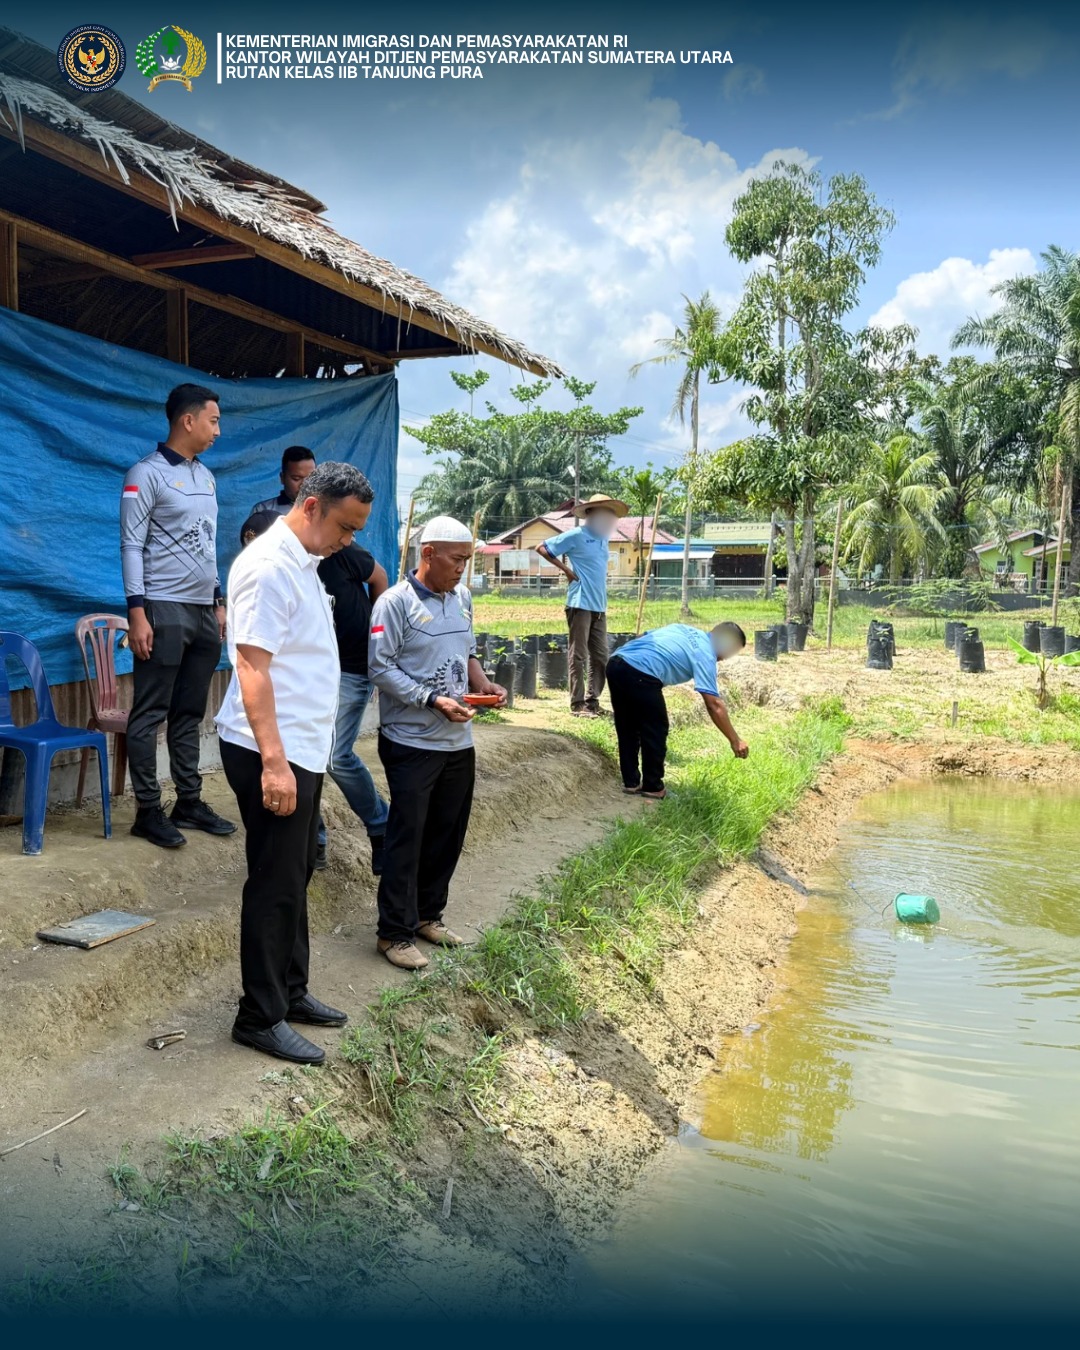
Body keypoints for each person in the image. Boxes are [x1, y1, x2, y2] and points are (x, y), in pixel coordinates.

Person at [216, 461, 374, 1065]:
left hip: (297, 748)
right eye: (345, 525)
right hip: (267, 749)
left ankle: (292, 990)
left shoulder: (306, 562)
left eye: (356, 530)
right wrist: (276, 765)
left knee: (298, 868)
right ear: (311, 507)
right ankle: (259, 1016)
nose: (349, 540)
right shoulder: (266, 566)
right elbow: (252, 668)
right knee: (275, 880)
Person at [369, 516, 506, 971]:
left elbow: (465, 652)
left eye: (468, 560)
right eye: (458, 559)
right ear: (428, 554)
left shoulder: (462, 598)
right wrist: (431, 699)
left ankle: (428, 915)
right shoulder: (395, 604)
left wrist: (484, 683)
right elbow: (380, 668)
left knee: (446, 835)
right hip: (411, 741)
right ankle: (394, 933)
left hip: (456, 742)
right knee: (407, 838)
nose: (463, 569)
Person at [120, 383, 235, 849]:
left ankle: (188, 800)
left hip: (203, 611)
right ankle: (148, 810)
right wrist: (137, 613)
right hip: (162, 609)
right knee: (149, 713)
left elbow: (208, 545)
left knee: (189, 711)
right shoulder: (144, 474)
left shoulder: (205, 476)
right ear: (188, 420)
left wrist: (219, 599)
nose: (217, 431)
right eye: (213, 420)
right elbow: (130, 544)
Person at [317, 484, 391, 876]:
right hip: (313, 669)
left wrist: (377, 645)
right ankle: (313, 843)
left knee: (334, 756)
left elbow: (380, 579)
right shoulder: (290, 560)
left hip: (351, 667)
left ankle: (381, 825)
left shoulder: (346, 552)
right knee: (305, 755)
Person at [606, 622, 750, 799]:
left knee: (628, 725)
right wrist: (735, 740)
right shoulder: (705, 653)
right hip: (641, 673)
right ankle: (653, 787)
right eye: (731, 650)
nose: (726, 657)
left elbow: (642, 637)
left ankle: (631, 782)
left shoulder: (684, 629)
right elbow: (714, 704)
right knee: (656, 729)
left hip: (616, 663)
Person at [537, 493, 628, 718]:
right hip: (580, 603)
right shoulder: (577, 535)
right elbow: (543, 548)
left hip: (599, 605)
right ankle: (577, 703)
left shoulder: (603, 539)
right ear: (591, 514)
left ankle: (592, 701)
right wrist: (567, 571)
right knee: (578, 654)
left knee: (601, 656)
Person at [250, 445, 316, 517]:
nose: (305, 485)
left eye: (310, 478)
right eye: (296, 478)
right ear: (282, 478)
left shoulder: (325, 509)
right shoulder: (263, 510)